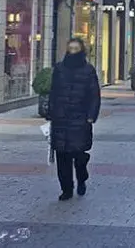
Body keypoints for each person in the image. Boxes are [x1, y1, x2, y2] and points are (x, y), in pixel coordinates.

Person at [47, 37, 101, 201]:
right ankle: (67, 189)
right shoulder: (59, 69)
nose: (73, 52)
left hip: (80, 118)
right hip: (61, 118)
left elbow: (94, 95)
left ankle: (82, 177)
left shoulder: (88, 70)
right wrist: (50, 111)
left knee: (78, 155)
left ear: (81, 50)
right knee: (62, 157)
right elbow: (53, 92)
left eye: (76, 48)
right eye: (70, 48)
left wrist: (91, 116)